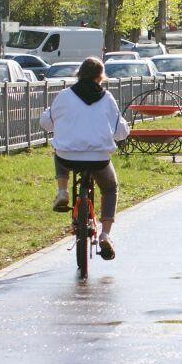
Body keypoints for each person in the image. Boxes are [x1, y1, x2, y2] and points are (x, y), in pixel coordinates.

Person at [40, 57, 130, 260]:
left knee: (59, 150)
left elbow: (46, 122)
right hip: (99, 159)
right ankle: (105, 234)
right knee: (109, 188)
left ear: (79, 74)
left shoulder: (64, 96)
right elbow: (120, 131)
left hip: (68, 157)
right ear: (101, 77)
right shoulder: (107, 98)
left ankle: (62, 191)